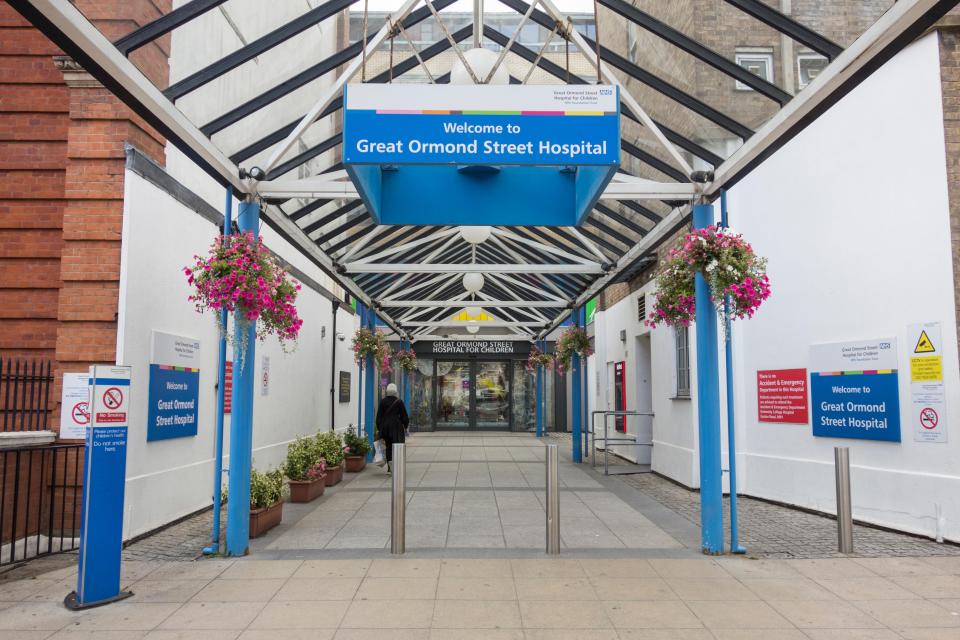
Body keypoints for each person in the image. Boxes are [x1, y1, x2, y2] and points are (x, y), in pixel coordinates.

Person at [375, 383, 409, 473]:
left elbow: (379, 417)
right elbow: (404, 416)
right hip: (396, 428)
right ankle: (396, 465)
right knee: (397, 446)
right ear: (396, 392)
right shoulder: (399, 402)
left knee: (388, 446)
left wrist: (379, 428)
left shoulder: (382, 402)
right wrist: (405, 426)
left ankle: (390, 468)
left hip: (385, 428)